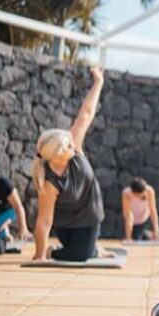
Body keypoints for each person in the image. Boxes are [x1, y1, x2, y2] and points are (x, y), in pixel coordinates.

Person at [31, 65, 109, 262]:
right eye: (67, 148)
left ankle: (91, 249)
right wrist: (40, 256)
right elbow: (44, 220)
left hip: (89, 216)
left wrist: (98, 82)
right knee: (76, 254)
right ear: (56, 156)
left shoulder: (74, 144)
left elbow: (87, 113)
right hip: (65, 224)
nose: (72, 148)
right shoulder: (49, 181)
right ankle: (77, 250)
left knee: (81, 255)